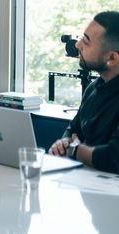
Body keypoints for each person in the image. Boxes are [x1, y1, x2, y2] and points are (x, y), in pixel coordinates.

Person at [48, 11, 119, 173]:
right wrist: (64, 142)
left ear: (112, 58)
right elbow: (74, 128)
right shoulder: (94, 87)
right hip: (85, 181)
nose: (78, 45)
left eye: (86, 42)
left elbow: (114, 157)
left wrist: (74, 150)